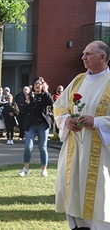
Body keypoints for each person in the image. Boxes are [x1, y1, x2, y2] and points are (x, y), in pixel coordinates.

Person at [54, 40, 110, 229]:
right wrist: (67, 120)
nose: (83, 57)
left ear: (102, 57)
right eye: (84, 53)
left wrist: (97, 122)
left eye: (88, 54)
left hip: (99, 152)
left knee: (98, 194)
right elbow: (59, 107)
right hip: (74, 147)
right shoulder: (78, 80)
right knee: (73, 190)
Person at [18, 77, 54, 177]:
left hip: (43, 124)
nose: (37, 85)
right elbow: (23, 110)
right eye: (35, 84)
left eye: (39, 83)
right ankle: (25, 168)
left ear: (43, 85)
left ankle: (44, 169)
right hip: (31, 125)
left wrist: (46, 91)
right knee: (28, 146)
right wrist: (26, 102)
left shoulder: (45, 95)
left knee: (43, 147)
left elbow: (52, 103)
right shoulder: (30, 96)